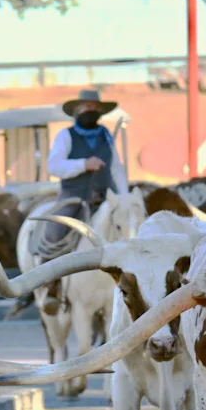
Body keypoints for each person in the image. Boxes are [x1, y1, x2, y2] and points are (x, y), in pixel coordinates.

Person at [37, 89, 129, 312]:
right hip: (74, 197)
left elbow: (116, 168)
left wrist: (124, 198)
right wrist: (83, 164)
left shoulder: (106, 134)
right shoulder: (65, 136)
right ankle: (52, 286)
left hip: (105, 198)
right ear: (77, 110)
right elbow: (54, 166)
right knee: (55, 234)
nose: (91, 110)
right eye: (86, 106)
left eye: (95, 107)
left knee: (129, 231)